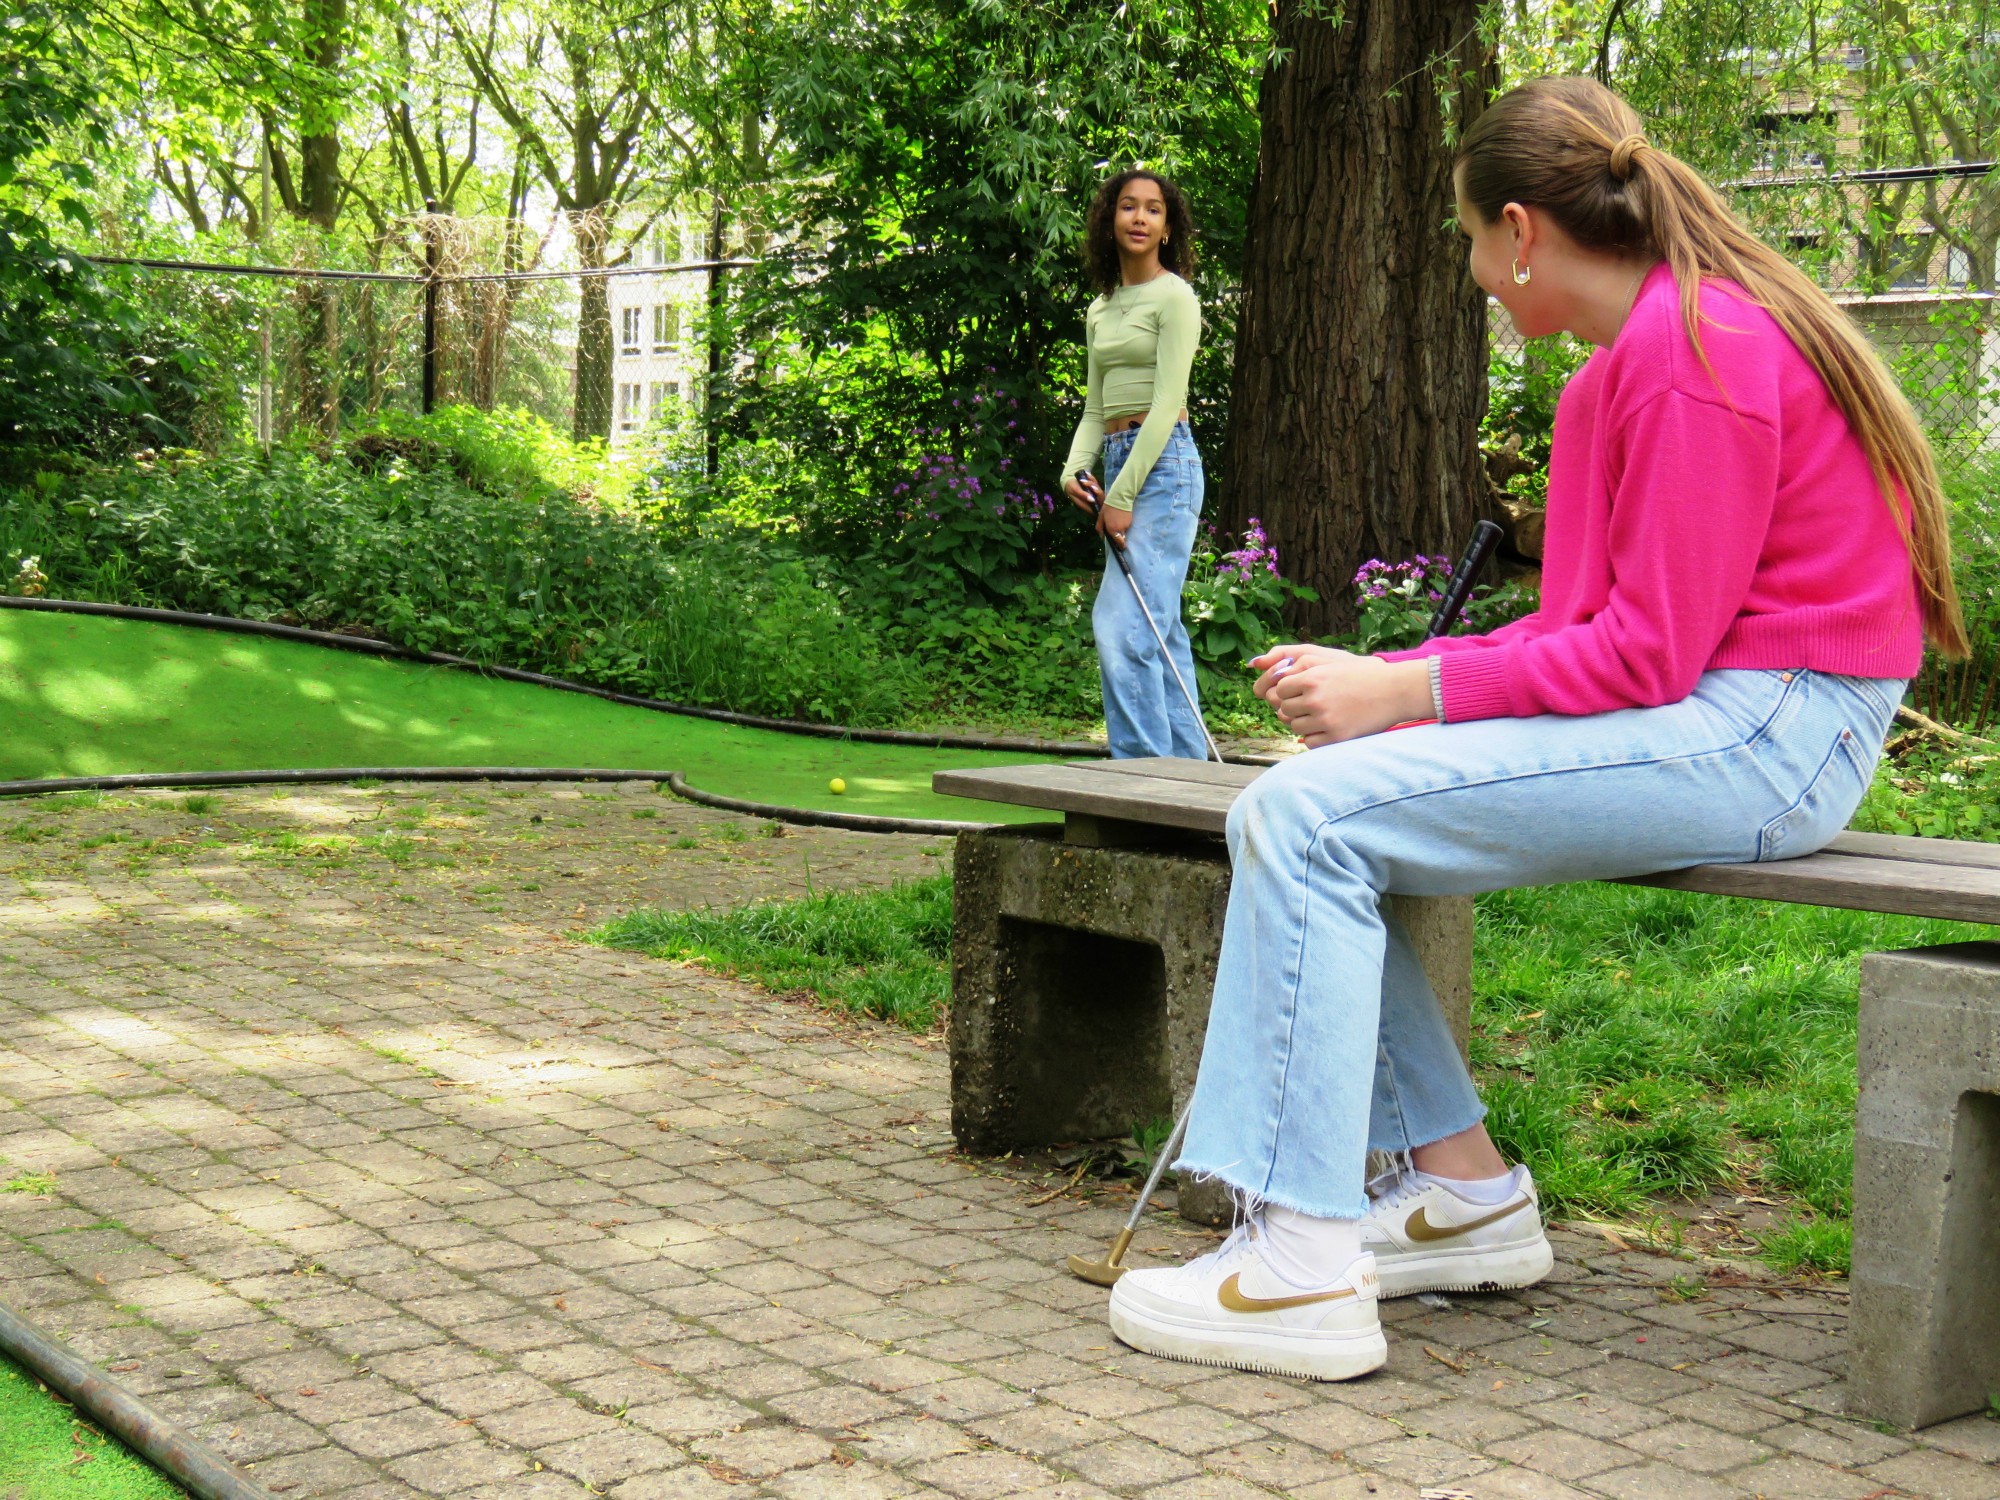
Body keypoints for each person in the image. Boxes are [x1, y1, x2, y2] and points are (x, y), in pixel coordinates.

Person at [1105, 76, 1963, 1382]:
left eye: (1465, 240)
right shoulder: (1625, 373)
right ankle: (1461, 1191)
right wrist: (1394, 678)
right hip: (1729, 712)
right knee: (1333, 808)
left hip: (1774, 732)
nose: (1471, 273)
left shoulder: (1697, 353)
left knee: (1301, 811)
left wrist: (1403, 695)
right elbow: (1582, 628)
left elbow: (1644, 655)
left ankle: (1297, 1269)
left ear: (1521, 230)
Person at [1061, 169, 1210, 759]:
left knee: (1122, 630)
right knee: (1158, 630)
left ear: (1168, 228)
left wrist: (1121, 494)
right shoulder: (1101, 309)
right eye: (1128, 207)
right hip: (1123, 463)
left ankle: (1142, 783)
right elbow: (1096, 407)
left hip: (1165, 469)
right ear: (1111, 220)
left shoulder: (1175, 296)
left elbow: (1166, 404)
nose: (1140, 218)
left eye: (1153, 209)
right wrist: (1074, 471)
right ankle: (1191, 781)